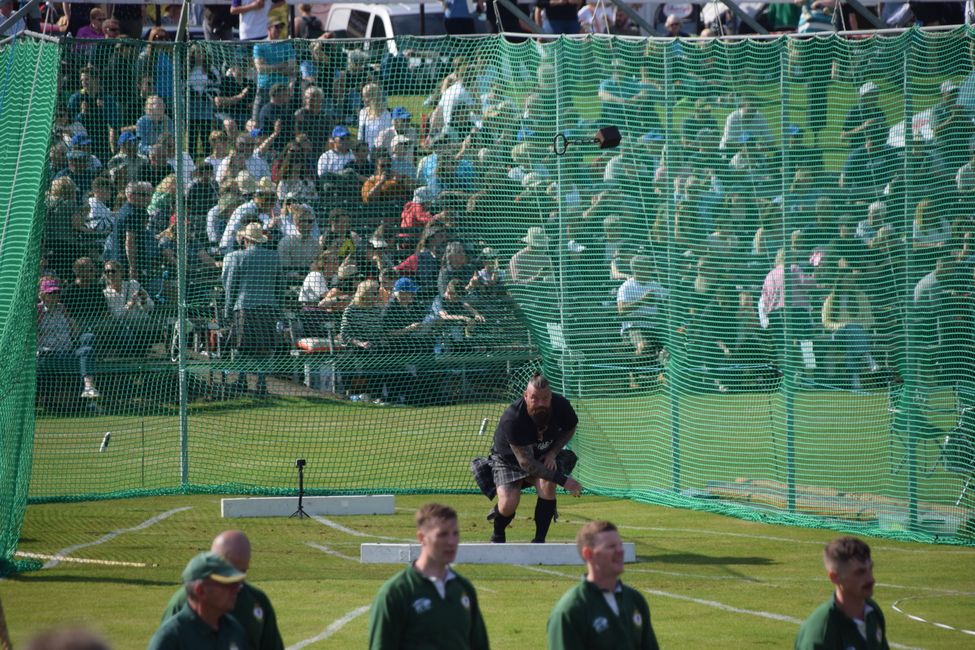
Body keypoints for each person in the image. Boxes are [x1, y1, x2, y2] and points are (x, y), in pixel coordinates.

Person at [368, 503, 490, 650]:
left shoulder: (464, 589)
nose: (452, 542)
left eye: (455, 533)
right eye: (442, 534)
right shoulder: (396, 593)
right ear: (422, 538)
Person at [487, 373, 583, 543]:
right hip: (509, 461)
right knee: (509, 502)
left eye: (545, 398)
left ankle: (539, 541)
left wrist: (553, 452)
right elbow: (526, 462)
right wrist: (564, 480)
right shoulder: (513, 417)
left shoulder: (561, 405)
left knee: (547, 484)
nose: (540, 403)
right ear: (525, 395)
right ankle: (498, 534)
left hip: (542, 455)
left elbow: (570, 427)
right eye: (534, 398)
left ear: (550, 396)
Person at [162, 531, 284, 650]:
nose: (236, 583)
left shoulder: (256, 601)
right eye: (229, 572)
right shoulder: (183, 602)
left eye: (242, 573)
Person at [547, 520, 659, 650]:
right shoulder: (570, 610)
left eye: (620, 545)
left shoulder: (635, 600)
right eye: (611, 546)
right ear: (588, 554)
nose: (620, 551)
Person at [795, 536, 890, 650]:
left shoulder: (872, 611)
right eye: (860, 572)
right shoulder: (821, 631)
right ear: (835, 577)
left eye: (870, 569)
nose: (871, 579)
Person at [148, 552, 250, 650]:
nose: (237, 589)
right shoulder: (171, 639)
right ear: (200, 590)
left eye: (236, 584)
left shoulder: (234, 630)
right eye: (227, 585)